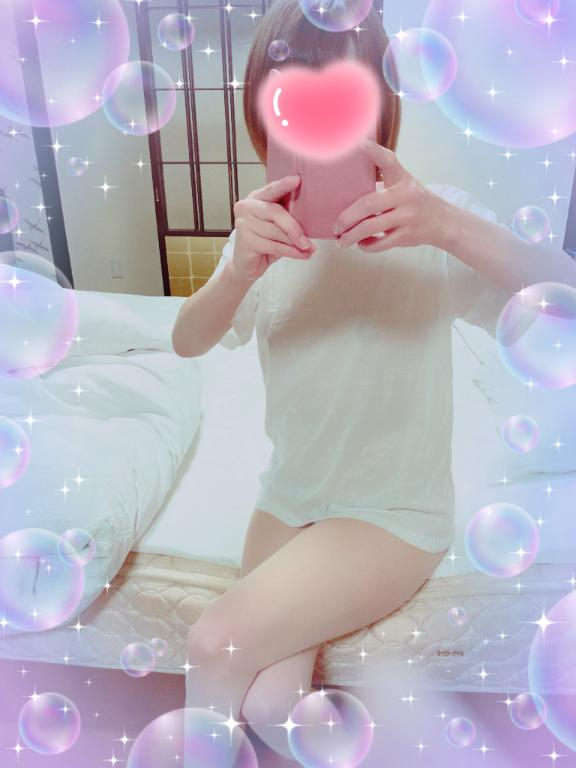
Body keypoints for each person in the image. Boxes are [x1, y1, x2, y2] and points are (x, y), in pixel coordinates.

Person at [171, 0, 576, 761]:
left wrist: (445, 226)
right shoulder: (263, 232)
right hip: (286, 500)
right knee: (269, 699)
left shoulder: (434, 223)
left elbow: (562, 293)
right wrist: (237, 272)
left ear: (380, 112)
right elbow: (187, 340)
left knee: (213, 642)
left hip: (390, 517)